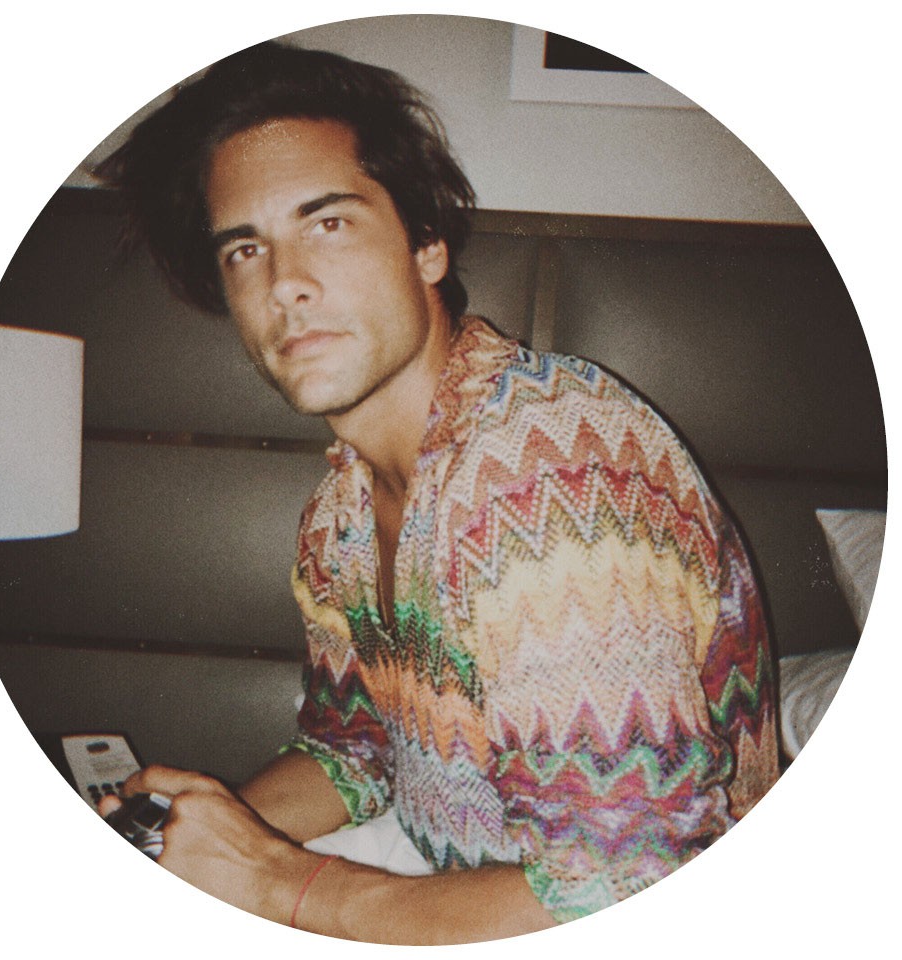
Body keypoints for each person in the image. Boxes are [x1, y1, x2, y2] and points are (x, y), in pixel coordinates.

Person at [94, 40, 780, 944]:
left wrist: (274, 882)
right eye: (245, 249)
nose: (284, 283)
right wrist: (193, 835)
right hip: (444, 883)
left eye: (327, 224)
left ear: (426, 245)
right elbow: (357, 747)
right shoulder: (339, 515)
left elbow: (627, 886)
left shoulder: (555, 475)